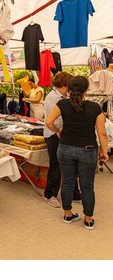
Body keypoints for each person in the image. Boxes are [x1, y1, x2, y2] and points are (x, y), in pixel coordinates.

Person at [45, 75, 108, 230]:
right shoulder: (95, 108)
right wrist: (104, 151)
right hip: (87, 150)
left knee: (67, 182)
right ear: (86, 89)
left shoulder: (62, 104)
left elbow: (48, 122)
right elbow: (102, 133)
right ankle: (88, 219)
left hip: (65, 148)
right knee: (87, 186)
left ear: (70, 88)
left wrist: (58, 131)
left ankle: (68, 214)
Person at [43, 72, 81, 208]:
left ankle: (75, 194)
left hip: (66, 134)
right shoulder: (52, 97)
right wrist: (58, 130)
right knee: (56, 166)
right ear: (65, 84)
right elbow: (52, 119)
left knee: (72, 165)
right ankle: (50, 194)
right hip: (54, 134)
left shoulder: (66, 96)